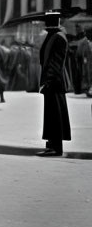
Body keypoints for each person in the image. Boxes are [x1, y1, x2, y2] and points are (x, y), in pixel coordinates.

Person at [37, 12, 71, 157]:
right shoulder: (54, 37)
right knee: (51, 114)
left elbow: (55, 63)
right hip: (52, 81)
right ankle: (51, 144)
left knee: (55, 115)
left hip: (54, 82)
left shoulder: (58, 38)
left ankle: (56, 148)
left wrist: (48, 81)